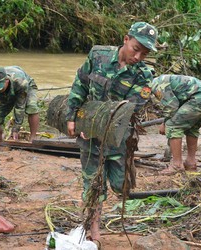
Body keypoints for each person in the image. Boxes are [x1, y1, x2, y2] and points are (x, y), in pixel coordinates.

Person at [65, 21, 158, 243]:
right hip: (89, 137)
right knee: (93, 184)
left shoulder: (144, 75)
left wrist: (98, 127)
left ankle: (125, 171)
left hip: (118, 139)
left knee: (120, 186)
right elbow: (81, 85)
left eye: (144, 54)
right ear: (126, 39)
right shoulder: (98, 56)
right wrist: (73, 118)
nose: (138, 57)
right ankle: (93, 229)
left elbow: (130, 109)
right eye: (136, 49)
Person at [149, 74, 201, 174]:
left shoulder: (156, 85)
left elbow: (172, 107)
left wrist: (165, 123)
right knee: (192, 128)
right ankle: (191, 163)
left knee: (173, 126)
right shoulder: (161, 80)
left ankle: (177, 165)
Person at [0, 66, 40, 144]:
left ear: (6, 81)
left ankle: (33, 138)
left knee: (32, 107)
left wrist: (16, 128)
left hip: (26, 87)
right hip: (5, 94)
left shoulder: (20, 82)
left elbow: (20, 107)